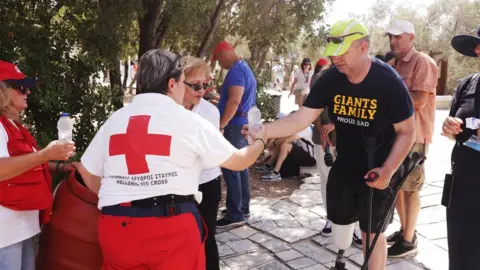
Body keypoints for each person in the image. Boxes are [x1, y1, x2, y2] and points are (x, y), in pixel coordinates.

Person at [72, 49, 266, 270]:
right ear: (173, 84)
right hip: (171, 229)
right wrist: (259, 140)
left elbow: (87, 171)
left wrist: (121, 196)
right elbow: (239, 160)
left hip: (117, 227)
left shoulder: (115, 120)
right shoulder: (188, 121)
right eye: (184, 82)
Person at [259, 19, 415, 269]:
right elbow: (302, 117)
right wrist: (263, 131)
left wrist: (388, 170)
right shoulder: (331, 79)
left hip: (378, 166)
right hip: (345, 164)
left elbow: (408, 131)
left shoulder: (387, 81)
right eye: (332, 53)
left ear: (363, 48)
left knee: (371, 234)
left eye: (341, 52)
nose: (335, 59)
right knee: (340, 230)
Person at [0, 61, 76, 270]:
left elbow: (25, 166)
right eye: (21, 88)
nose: (28, 93)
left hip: (22, 227)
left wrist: (59, 166)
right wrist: (44, 155)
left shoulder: (13, 125)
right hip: (4, 234)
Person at [385, 20, 438, 258]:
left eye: (398, 37)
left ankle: (408, 241)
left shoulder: (423, 63)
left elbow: (418, 100)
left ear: (411, 38)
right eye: (391, 37)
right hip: (394, 135)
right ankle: (406, 230)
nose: (393, 41)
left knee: (411, 188)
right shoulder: (391, 65)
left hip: (414, 136)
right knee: (397, 186)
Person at [442, 26, 480, 270]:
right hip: (463, 186)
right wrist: (448, 127)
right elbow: (452, 129)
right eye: (478, 46)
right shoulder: (466, 85)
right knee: (461, 258)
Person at [181, 56, 222, 270]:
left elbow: (207, 156)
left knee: (206, 239)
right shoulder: (168, 109)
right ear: (178, 82)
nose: (201, 90)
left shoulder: (209, 112)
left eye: (204, 85)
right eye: (195, 85)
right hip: (177, 186)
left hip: (205, 184)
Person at [211, 41, 257, 228]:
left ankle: (235, 214)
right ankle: (242, 207)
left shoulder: (236, 71)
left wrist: (222, 124)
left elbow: (234, 101)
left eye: (218, 60)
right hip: (241, 124)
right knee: (241, 166)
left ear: (223, 54)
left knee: (232, 169)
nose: (220, 65)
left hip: (234, 126)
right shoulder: (244, 67)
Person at [257, 113, 316, 181]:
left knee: (285, 145)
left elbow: (287, 139)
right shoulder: (297, 127)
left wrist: (273, 143)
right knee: (282, 143)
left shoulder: (305, 128)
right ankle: (268, 166)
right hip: (302, 153)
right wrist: (274, 142)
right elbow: (282, 137)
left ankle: (275, 173)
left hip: (311, 159)